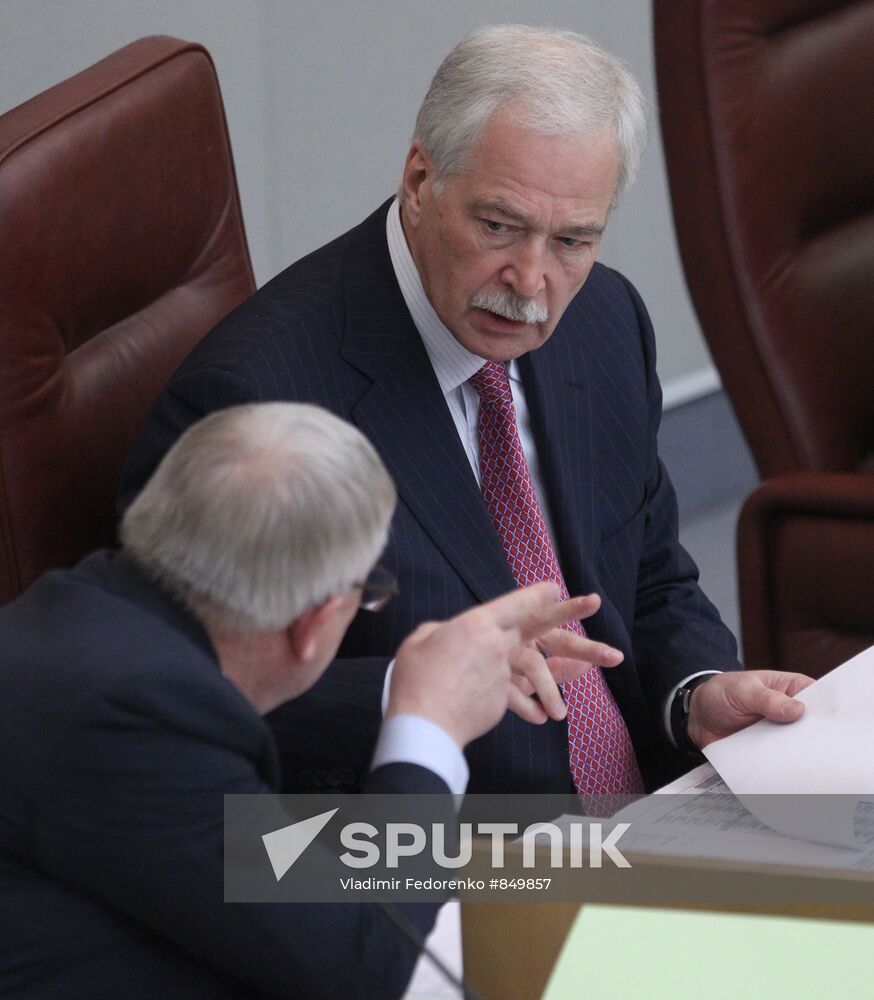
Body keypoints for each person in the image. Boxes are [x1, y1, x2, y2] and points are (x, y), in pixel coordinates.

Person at [119, 24, 813, 798]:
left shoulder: (607, 321)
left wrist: (695, 694)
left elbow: (649, 576)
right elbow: (189, 693)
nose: (530, 282)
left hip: (638, 816)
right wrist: (416, 691)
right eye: (498, 227)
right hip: (422, 852)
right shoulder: (253, 400)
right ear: (419, 181)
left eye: (573, 241)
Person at [0, 401, 609, 999]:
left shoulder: (89, 617)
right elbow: (373, 962)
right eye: (367, 592)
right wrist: (430, 729)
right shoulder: (126, 724)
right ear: (316, 621)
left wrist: (419, 682)